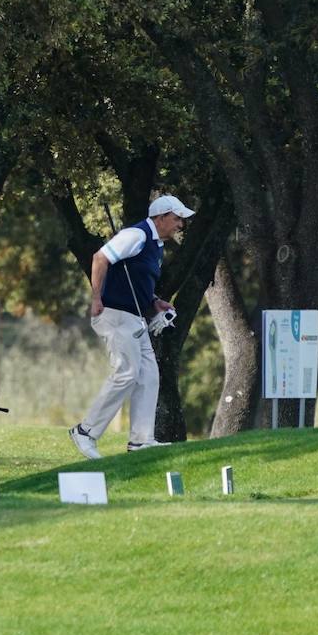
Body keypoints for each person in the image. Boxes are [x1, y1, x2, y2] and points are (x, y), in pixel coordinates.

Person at [69, 194, 195, 460]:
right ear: (160, 217)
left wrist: (155, 301)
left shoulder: (157, 244)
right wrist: (96, 298)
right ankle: (85, 431)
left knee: (149, 375)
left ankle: (141, 440)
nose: (180, 225)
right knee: (127, 372)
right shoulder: (136, 235)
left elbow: (135, 281)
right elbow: (99, 258)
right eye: (176, 219)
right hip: (113, 314)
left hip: (135, 318)